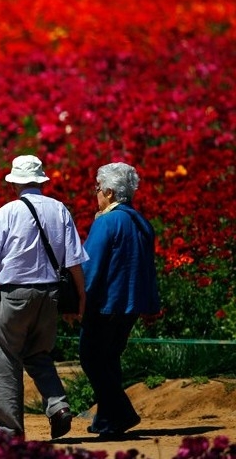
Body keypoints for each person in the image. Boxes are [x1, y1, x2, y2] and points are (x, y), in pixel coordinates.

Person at [0, 154, 88, 440]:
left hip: (14, 295)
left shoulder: (5, 213)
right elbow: (74, 262)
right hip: (50, 296)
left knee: (5, 357)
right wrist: (81, 298)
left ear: (13, 184)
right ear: (41, 181)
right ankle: (58, 406)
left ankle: (10, 430)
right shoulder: (60, 210)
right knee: (38, 353)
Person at [80, 162, 160, 439]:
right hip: (131, 303)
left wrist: (78, 301)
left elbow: (89, 266)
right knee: (110, 359)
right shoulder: (140, 222)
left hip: (106, 303)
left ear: (110, 192)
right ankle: (106, 421)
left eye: (98, 188)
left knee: (91, 358)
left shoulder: (108, 221)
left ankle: (122, 413)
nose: (96, 193)